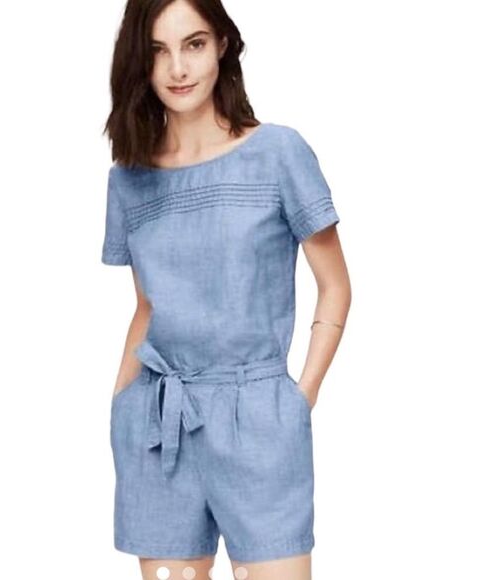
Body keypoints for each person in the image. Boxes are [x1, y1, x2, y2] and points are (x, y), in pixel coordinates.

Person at [100, 1, 351, 578]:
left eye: (193, 44)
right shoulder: (129, 177)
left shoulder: (278, 153)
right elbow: (147, 306)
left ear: (222, 46)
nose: (177, 68)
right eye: (158, 51)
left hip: (259, 417)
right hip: (158, 424)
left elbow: (335, 287)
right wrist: (121, 404)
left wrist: (300, 397)